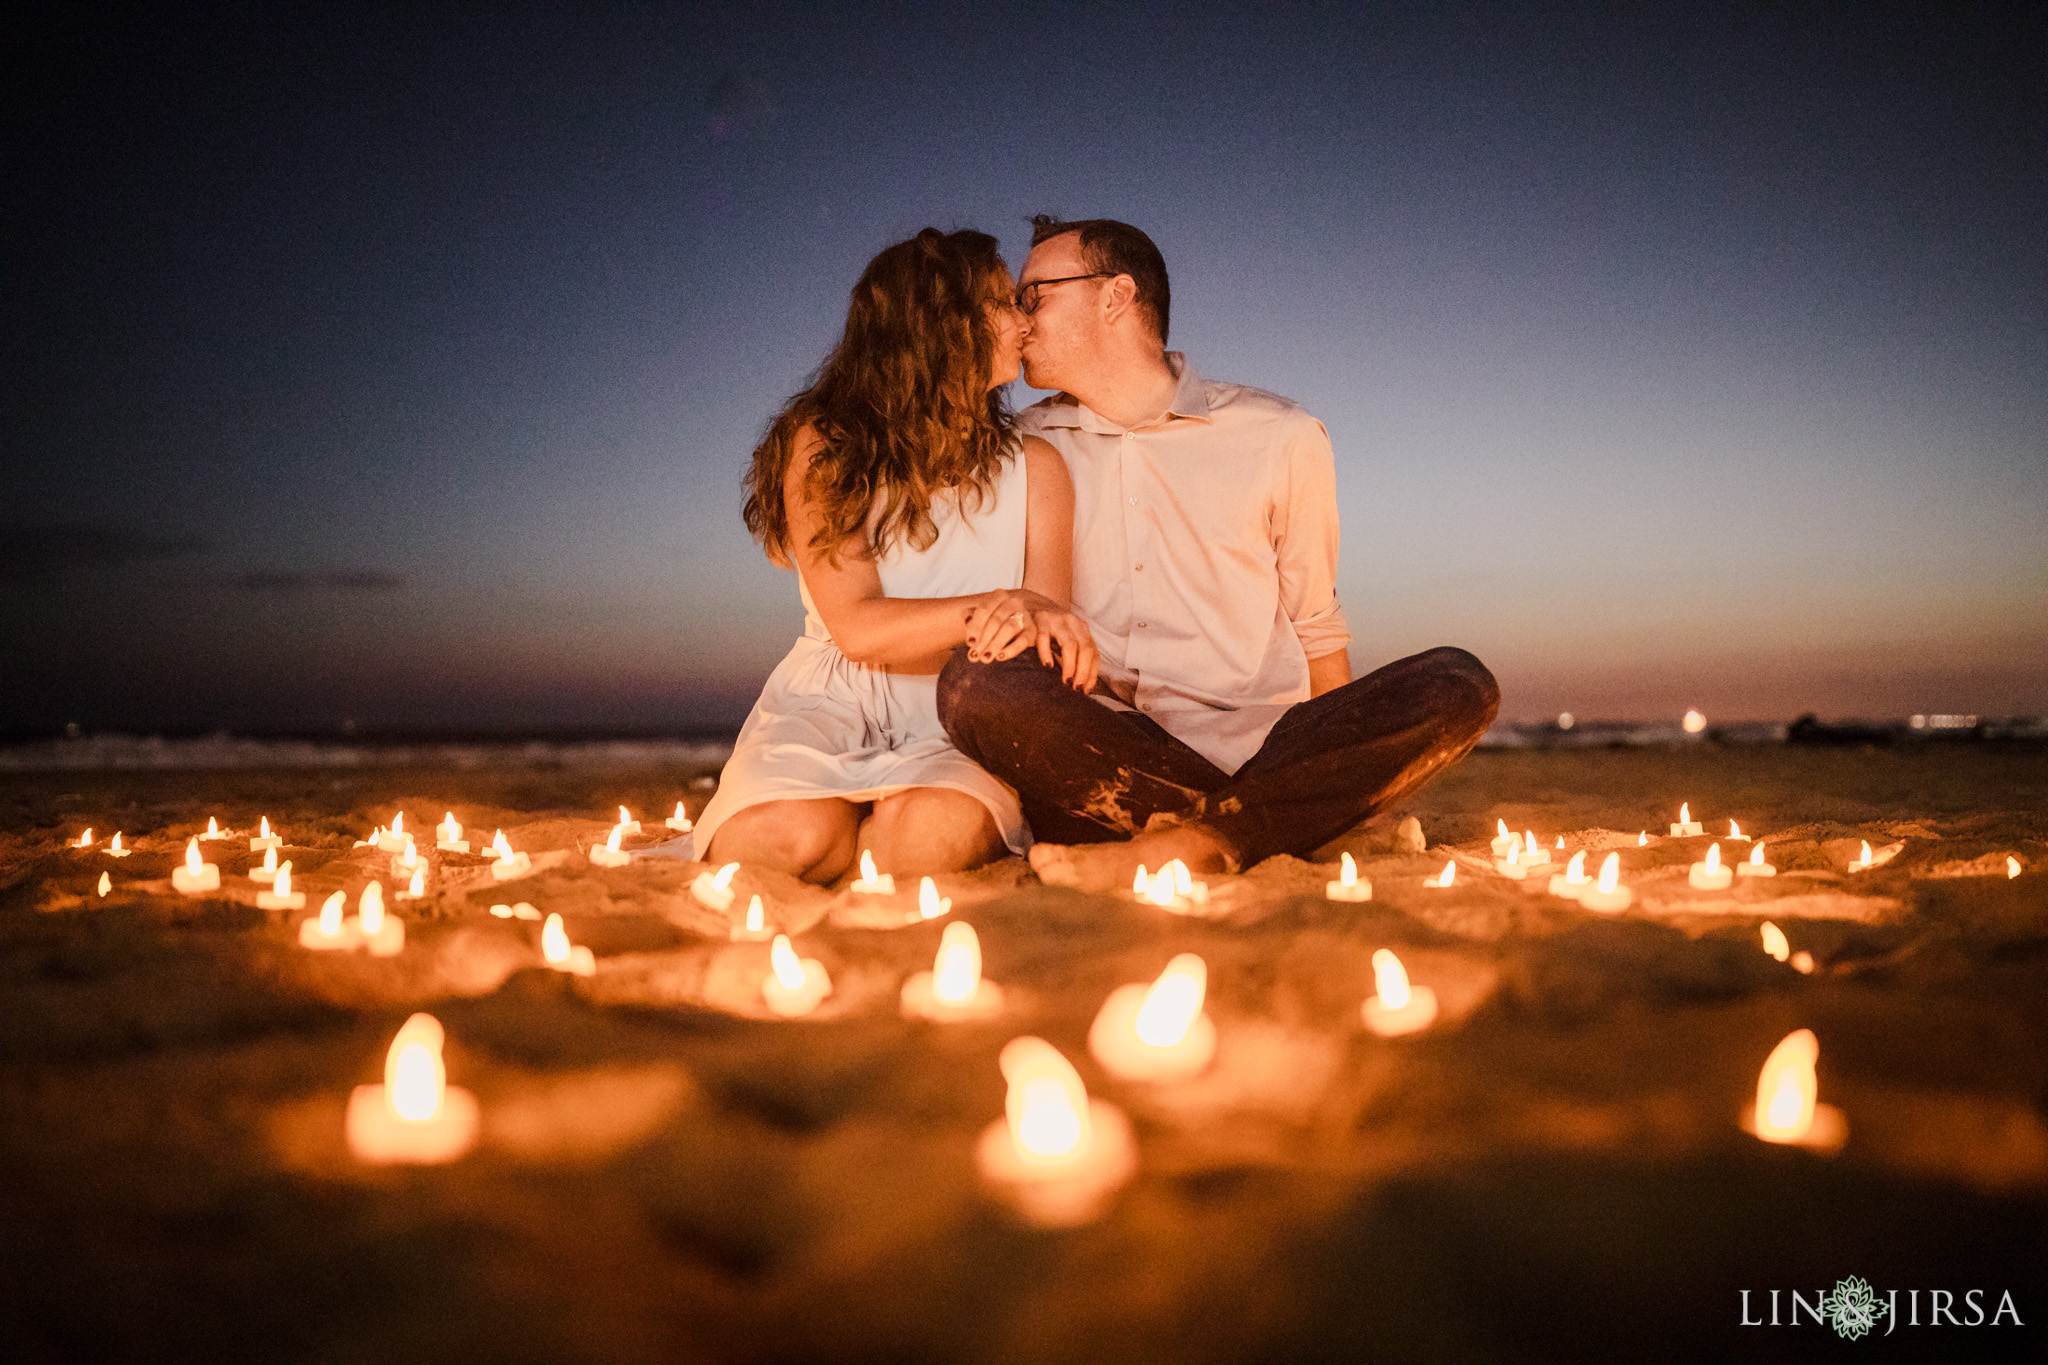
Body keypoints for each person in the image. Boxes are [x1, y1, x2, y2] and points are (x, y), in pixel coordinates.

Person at [935, 216, 1499, 890]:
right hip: (1105, 760)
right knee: (974, 682)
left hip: (1262, 747)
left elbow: (1317, 627)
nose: (1019, 320)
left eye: (1035, 295)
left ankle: (1212, 833)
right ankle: (1265, 826)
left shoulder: (1280, 436)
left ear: (1116, 295)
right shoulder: (1021, 449)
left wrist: (1333, 749)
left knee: (1458, 679)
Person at [693, 228, 1099, 885]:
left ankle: (875, 834)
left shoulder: (1038, 467)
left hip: (964, 706)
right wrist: (1005, 605)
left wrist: (1032, 618)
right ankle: (830, 821)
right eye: (1002, 301)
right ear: (939, 323)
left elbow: (1043, 626)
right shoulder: (823, 444)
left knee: (916, 847)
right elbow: (857, 627)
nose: (1023, 318)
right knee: (781, 841)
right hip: (830, 698)